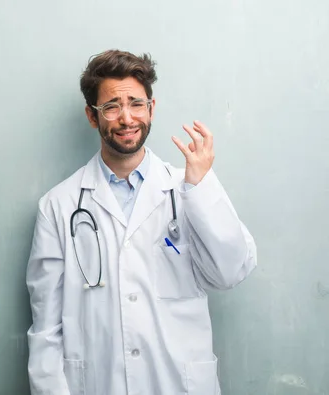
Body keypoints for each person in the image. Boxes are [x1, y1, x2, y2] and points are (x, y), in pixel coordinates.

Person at [25, 49, 257, 395]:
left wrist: (201, 187)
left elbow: (231, 272)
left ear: (151, 107)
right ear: (92, 116)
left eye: (136, 103)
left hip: (177, 384)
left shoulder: (188, 188)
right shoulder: (58, 207)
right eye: (111, 107)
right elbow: (45, 331)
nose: (126, 118)